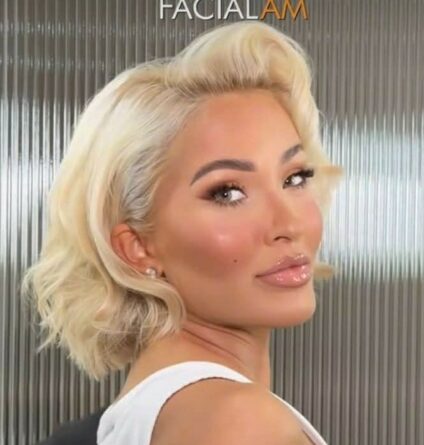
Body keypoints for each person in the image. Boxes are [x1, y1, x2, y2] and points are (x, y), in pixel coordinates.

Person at [21, 20, 344, 445]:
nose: (290, 224)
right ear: (137, 248)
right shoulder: (238, 423)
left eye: (295, 178)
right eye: (227, 192)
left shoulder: (131, 420)